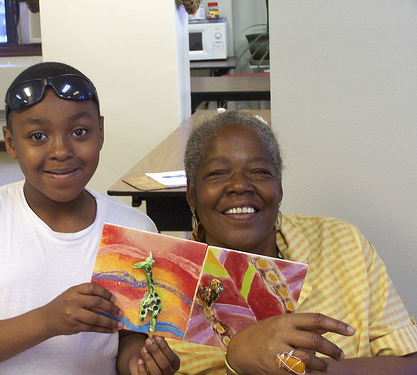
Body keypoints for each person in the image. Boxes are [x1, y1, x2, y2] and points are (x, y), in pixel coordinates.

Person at [0, 62, 180, 375]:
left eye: (79, 132)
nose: (60, 150)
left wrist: (139, 364)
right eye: (38, 135)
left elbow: (129, 337)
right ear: (10, 142)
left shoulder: (133, 230)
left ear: (100, 132)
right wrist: (48, 320)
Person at [168, 110, 417, 374]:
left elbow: (410, 363)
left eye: (259, 171)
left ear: (280, 187)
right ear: (192, 195)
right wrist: (237, 358)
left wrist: (316, 370)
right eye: (217, 173)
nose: (240, 185)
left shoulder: (343, 242)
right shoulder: (169, 285)